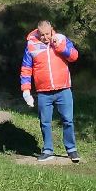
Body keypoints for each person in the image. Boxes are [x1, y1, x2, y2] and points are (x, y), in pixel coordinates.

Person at [19, 19, 81, 162]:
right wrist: (26, 90)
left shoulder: (61, 39)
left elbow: (74, 56)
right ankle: (48, 150)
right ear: (37, 32)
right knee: (45, 122)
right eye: (42, 35)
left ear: (52, 29)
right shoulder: (31, 45)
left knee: (68, 120)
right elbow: (26, 69)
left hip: (63, 88)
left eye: (47, 34)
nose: (45, 37)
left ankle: (71, 150)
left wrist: (59, 47)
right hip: (43, 91)